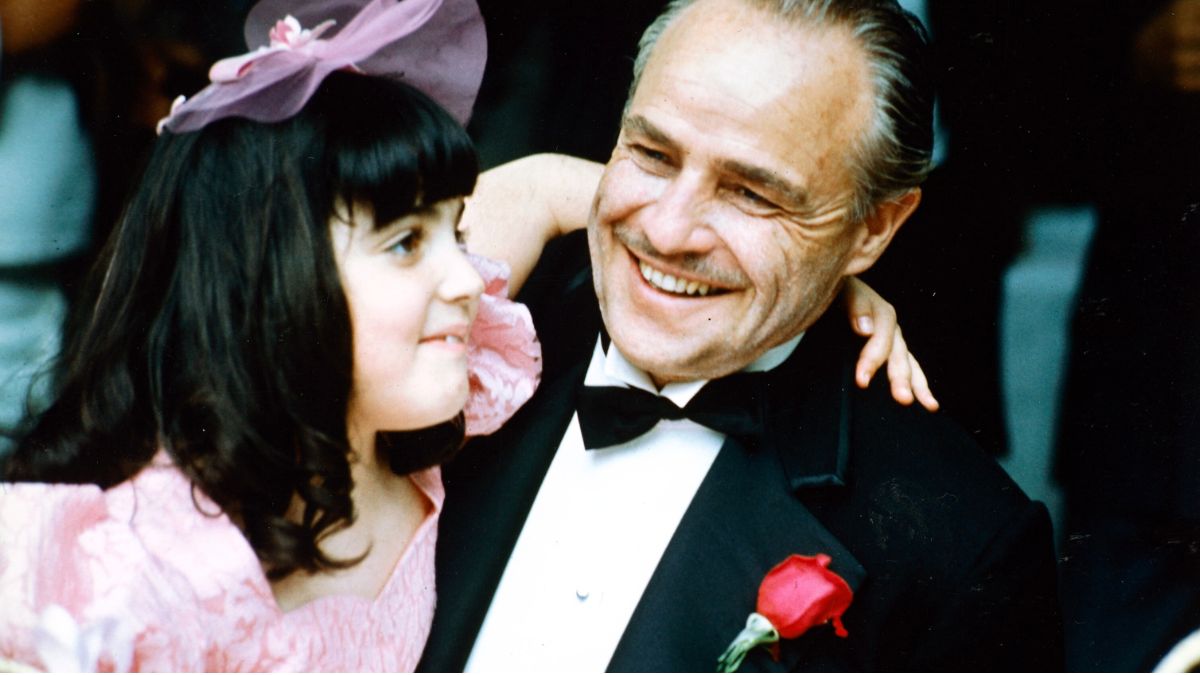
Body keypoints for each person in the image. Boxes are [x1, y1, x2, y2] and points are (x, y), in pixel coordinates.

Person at [0, 0, 924, 670]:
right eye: (408, 242)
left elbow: (552, 191)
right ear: (271, 282)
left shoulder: (432, 402)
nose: (469, 276)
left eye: (455, 228)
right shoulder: (142, 565)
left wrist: (818, 268)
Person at [419, 0, 1063, 671]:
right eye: (652, 153)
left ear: (872, 228)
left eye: (752, 193)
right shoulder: (450, 336)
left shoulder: (959, 550)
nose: (668, 233)